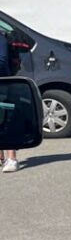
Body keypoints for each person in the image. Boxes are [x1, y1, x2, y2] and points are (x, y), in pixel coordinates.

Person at [0, 25, 19, 173]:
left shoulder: (1, 38)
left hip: (3, 84)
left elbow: (2, 61)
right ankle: (1, 158)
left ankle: (12, 158)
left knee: (5, 120)